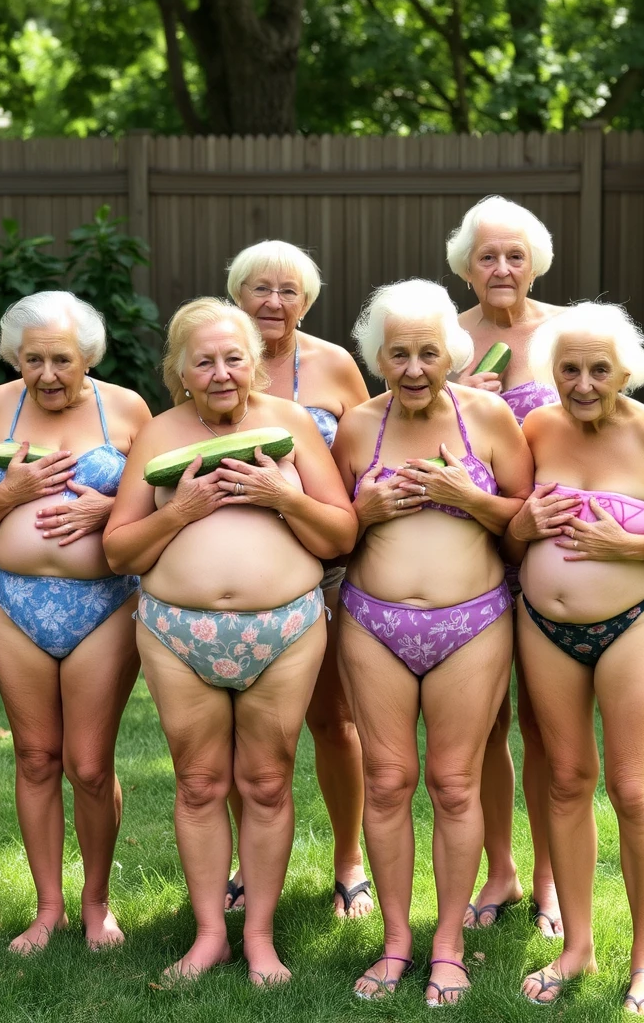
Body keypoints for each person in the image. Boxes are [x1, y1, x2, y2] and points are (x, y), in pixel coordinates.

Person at [103, 298, 356, 985]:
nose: (221, 373)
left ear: (256, 364)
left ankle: (262, 939)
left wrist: (285, 496)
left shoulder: (294, 424)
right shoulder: (157, 436)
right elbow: (119, 549)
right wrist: (180, 512)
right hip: (177, 633)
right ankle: (211, 933)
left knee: (268, 782)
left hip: (285, 628)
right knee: (199, 782)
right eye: (204, 361)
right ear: (179, 371)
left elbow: (341, 536)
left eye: (234, 358)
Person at [508, 303, 644, 1015]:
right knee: (567, 780)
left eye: (597, 369)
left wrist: (632, 547)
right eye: (568, 369)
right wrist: (524, 521)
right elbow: (508, 523)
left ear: (624, 372)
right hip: (544, 626)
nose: (581, 383)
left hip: (635, 623)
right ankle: (576, 946)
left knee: (634, 791)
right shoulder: (536, 429)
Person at [331, 279, 531, 1005]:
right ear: (377, 356)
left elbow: (523, 521)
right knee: (386, 782)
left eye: (427, 353)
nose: (414, 368)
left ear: (451, 352)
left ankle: (448, 946)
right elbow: (328, 533)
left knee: (454, 783)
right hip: (373, 623)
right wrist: (364, 507)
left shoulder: (490, 418)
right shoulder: (357, 427)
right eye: (398, 354)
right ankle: (394, 944)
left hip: (472, 621)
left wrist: (469, 498)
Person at [0, 291, 151, 952]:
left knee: (89, 763)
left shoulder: (126, 408)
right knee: (36, 757)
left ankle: (97, 904)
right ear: (16, 358)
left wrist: (110, 507)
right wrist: (11, 492)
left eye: (61, 359)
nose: (47, 375)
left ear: (88, 356)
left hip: (106, 603)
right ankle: (47, 909)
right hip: (10, 601)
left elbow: (157, 508)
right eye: (32, 360)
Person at [225, 240, 372, 918]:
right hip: (236, 572)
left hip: (328, 569)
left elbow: (368, 449)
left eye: (288, 291)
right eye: (260, 289)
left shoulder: (336, 366)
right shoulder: (218, 361)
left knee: (334, 719)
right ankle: (241, 861)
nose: (273, 303)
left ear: (307, 302)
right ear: (237, 295)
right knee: (235, 728)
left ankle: (349, 861)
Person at [447, 195, 567, 937]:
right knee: (484, 723)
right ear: (465, 266)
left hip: (550, 540)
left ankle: (552, 881)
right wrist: (463, 403)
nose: (500, 268)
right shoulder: (444, 340)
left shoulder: (565, 333)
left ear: (534, 264)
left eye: (514, 255)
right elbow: (400, 438)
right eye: (487, 255)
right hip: (472, 543)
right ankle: (501, 870)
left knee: (547, 723)